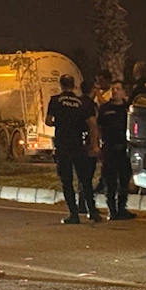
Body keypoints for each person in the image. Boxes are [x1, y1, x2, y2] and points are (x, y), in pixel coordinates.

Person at [45, 74, 102, 224]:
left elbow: (48, 121)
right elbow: (92, 125)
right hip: (79, 145)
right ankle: (92, 211)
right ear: (74, 85)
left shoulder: (55, 101)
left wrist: (60, 123)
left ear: (61, 85)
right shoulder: (81, 103)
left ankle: (73, 214)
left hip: (63, 146)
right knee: (85, 180)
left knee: (67, 181)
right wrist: (94, 144)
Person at [98, 80, 136, 220]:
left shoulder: (128, 109)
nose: (114, 91)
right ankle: (112, 210)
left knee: (124, 180)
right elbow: (98, 127)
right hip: (109, 148)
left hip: (125, 149)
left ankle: (122, 208)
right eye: (113, 88)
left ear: (123, 92)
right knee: (110, 181)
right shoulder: (105, 109)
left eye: (118, 89)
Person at [77, 80, 100, 214]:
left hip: (76, 142)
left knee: (81, 174)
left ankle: (81, 203)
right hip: (87, 142)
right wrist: (95, 144)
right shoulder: (90, 105)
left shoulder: (77, 102)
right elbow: (94, 125)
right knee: (88, 175)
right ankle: (88, 205)